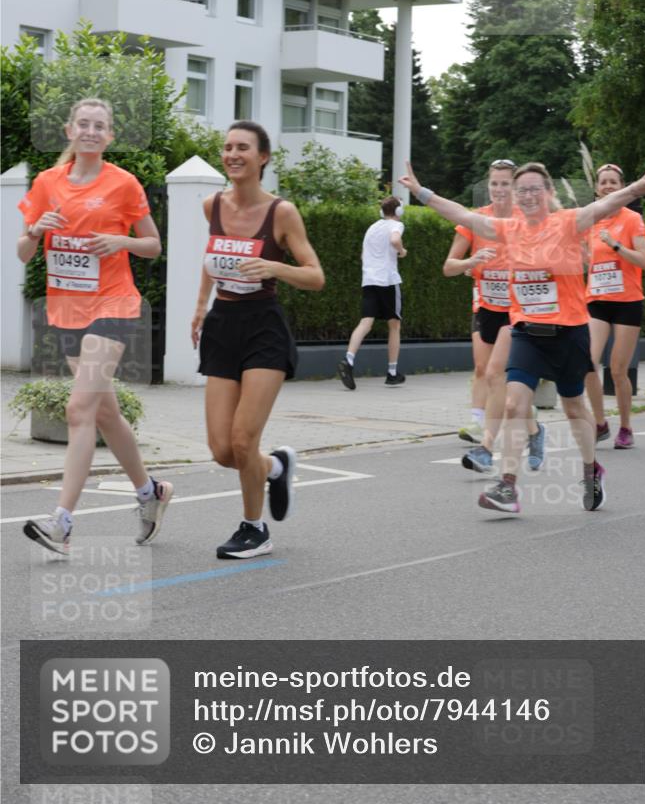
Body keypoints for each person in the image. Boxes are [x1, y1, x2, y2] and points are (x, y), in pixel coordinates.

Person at [400, 157, 645, 516]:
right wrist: (421, 192)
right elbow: (461, 215)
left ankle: (591, 471)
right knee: (513, 404)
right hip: (526, 333)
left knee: (574, 408)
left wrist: (638, 187)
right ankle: (507, 486)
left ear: (548, 192)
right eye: (520, 190)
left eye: (534, 189)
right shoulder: (509, 229)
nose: (526, 195)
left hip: (569, 333)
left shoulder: (568, 221)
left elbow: (607, 204)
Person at [18, 98, 172, 555]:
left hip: (114, 304)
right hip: (67, 309)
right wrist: (35, 231)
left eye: (99, 126)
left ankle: (62, 523)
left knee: (79, 409)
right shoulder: (47, 183)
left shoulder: (123, 183)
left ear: (109, 136)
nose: (90, 131)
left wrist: (120, 240)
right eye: (82, 124)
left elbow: (153, 245)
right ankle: (150, 492)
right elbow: (23, 253)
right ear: (69, 131)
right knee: (104, 414)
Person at [191, 121, 324, 559]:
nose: (232, 154)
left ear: (262, 157)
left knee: (244, 440)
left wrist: (275, 267)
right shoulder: (212, 205)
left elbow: (316, 276)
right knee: (222, 450)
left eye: (242, 148)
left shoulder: (281, 213)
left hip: (264, 327)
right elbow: (213, 256)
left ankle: (255, 528)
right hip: (222, 325)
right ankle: (275, 466)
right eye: (228, 147)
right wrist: (200, 306)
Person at [444, 160, 545, 472]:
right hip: (486, 306)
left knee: (494, 374)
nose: (499, 189)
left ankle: (486, 448)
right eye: (494, 184)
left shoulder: (526, 220)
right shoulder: (477, 221)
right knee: (491, 376)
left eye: (505, 184)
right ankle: (534, 429)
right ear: (488, 186)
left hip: (516, 311)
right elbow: (449, 267)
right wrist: (471, 261)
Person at [584, 163, 645, 449]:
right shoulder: (590, 220)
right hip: (597, 300)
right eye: (604, 182)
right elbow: (585, 259)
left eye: (614, 182)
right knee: (587, 363)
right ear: (597, 188)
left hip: (627, 302)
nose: (608, 186)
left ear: (622, 187)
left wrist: (616, 246)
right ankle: (600, 423)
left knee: (617, 370)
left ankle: (626, 427)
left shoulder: (632, 220)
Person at [337, 196, 407, 390]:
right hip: (388, 280)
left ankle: (348, 359)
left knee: (366, 322)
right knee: (394, 325)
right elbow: (395, 240)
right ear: (398, 211)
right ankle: (392, 373)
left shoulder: (372, 228)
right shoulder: (396, 225)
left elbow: (363, 255)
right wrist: (402, 251)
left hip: (369, 280)